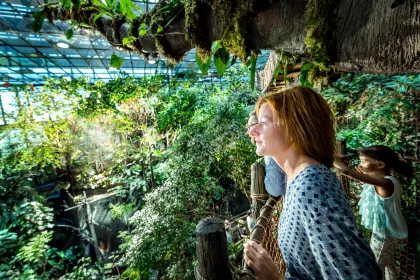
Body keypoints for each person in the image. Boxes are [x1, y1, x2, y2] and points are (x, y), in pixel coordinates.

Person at [244, 86, 382, 280]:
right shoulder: (296, 181)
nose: (252, 131)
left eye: (264, 123)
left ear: (294, 129)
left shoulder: (312, 186)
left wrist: (276, 278)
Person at [334, 145, 411, 280]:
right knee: (387, 264)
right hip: (390, 233)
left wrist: (331, 158)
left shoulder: (386, 183)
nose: (360, 164)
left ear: (380, 164)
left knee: (375, 267)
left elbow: (349, 172)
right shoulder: (383, 180)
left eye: (364, 161)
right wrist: (363, 174)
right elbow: (360, 177)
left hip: (386, 235)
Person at [247, 111, 287, 197]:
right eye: (249, 127)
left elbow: (275, 189)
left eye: (254, 125)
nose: (250, 131)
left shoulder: (270, 151)